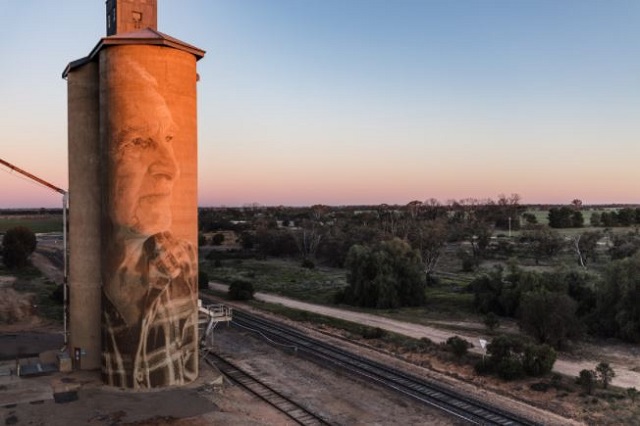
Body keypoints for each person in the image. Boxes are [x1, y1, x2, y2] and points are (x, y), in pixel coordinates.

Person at [101, 58, 198, 389]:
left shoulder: (185, 261)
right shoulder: (90, 277)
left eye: (169, 138)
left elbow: (187, 365)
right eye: (139, 142)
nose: (170, 168)